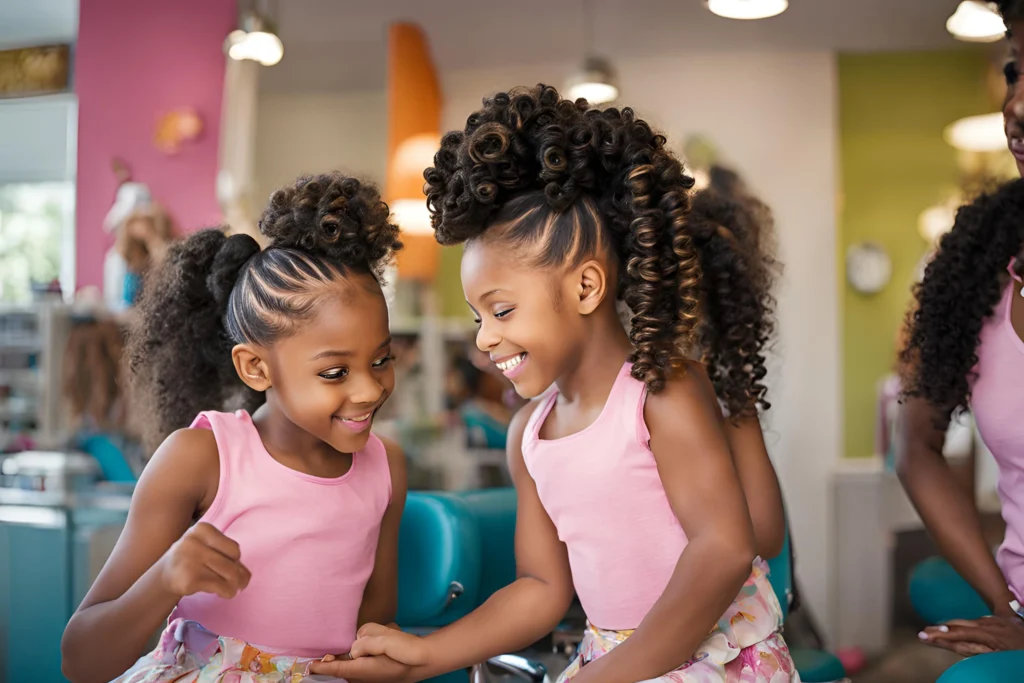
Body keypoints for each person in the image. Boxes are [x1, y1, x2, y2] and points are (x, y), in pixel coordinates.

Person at [314, 85, 797, 683]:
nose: (485, 339)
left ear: (586, 289)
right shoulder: (529, 434)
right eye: (477, 317)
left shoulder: (662, 394)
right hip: (613, 659)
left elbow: (723, 549)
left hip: (712, 657)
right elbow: (542, 589)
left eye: (503, 310)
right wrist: (427, 656)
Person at [60, 172, 408, 683]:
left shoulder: (386, 466)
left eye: (382, 360)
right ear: (255, 368)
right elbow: (80, 660)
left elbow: (372, 631)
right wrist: (165, 579)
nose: (369, 390)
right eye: (335, 372)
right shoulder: (200, 459)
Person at [897, 0, 1024, 658]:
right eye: (1014, 71)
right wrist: (1006, 608)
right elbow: (916, 444)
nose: (1018, 105)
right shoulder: (981, 260)